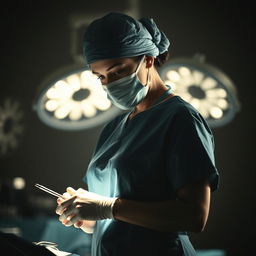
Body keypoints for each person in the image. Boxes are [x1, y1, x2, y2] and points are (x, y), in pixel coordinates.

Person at [55, 12, 220, 256]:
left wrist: (109, 208)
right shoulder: (114, 128)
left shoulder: (180, 118)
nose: (109, 83)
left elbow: (194, 216)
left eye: (118, 71)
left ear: (148, 60)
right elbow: (116, 215)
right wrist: (87, 216)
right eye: (100, 76)